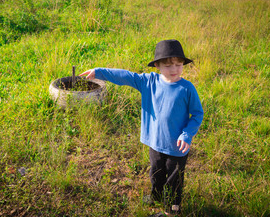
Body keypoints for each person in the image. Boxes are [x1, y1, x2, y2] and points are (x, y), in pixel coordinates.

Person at [80, 39, 204, 216]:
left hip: (177, 147)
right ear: (157, 66)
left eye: (178, 64)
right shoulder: (148, 82)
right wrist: (100, 72)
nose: (175, 69)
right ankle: (156, 196)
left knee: (174, 179)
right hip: (155, 141)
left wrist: (187, 134)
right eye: (168, 65)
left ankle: (172, 210)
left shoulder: (187, 88)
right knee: (156, 173)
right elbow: (125, 76)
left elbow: (197, 114)